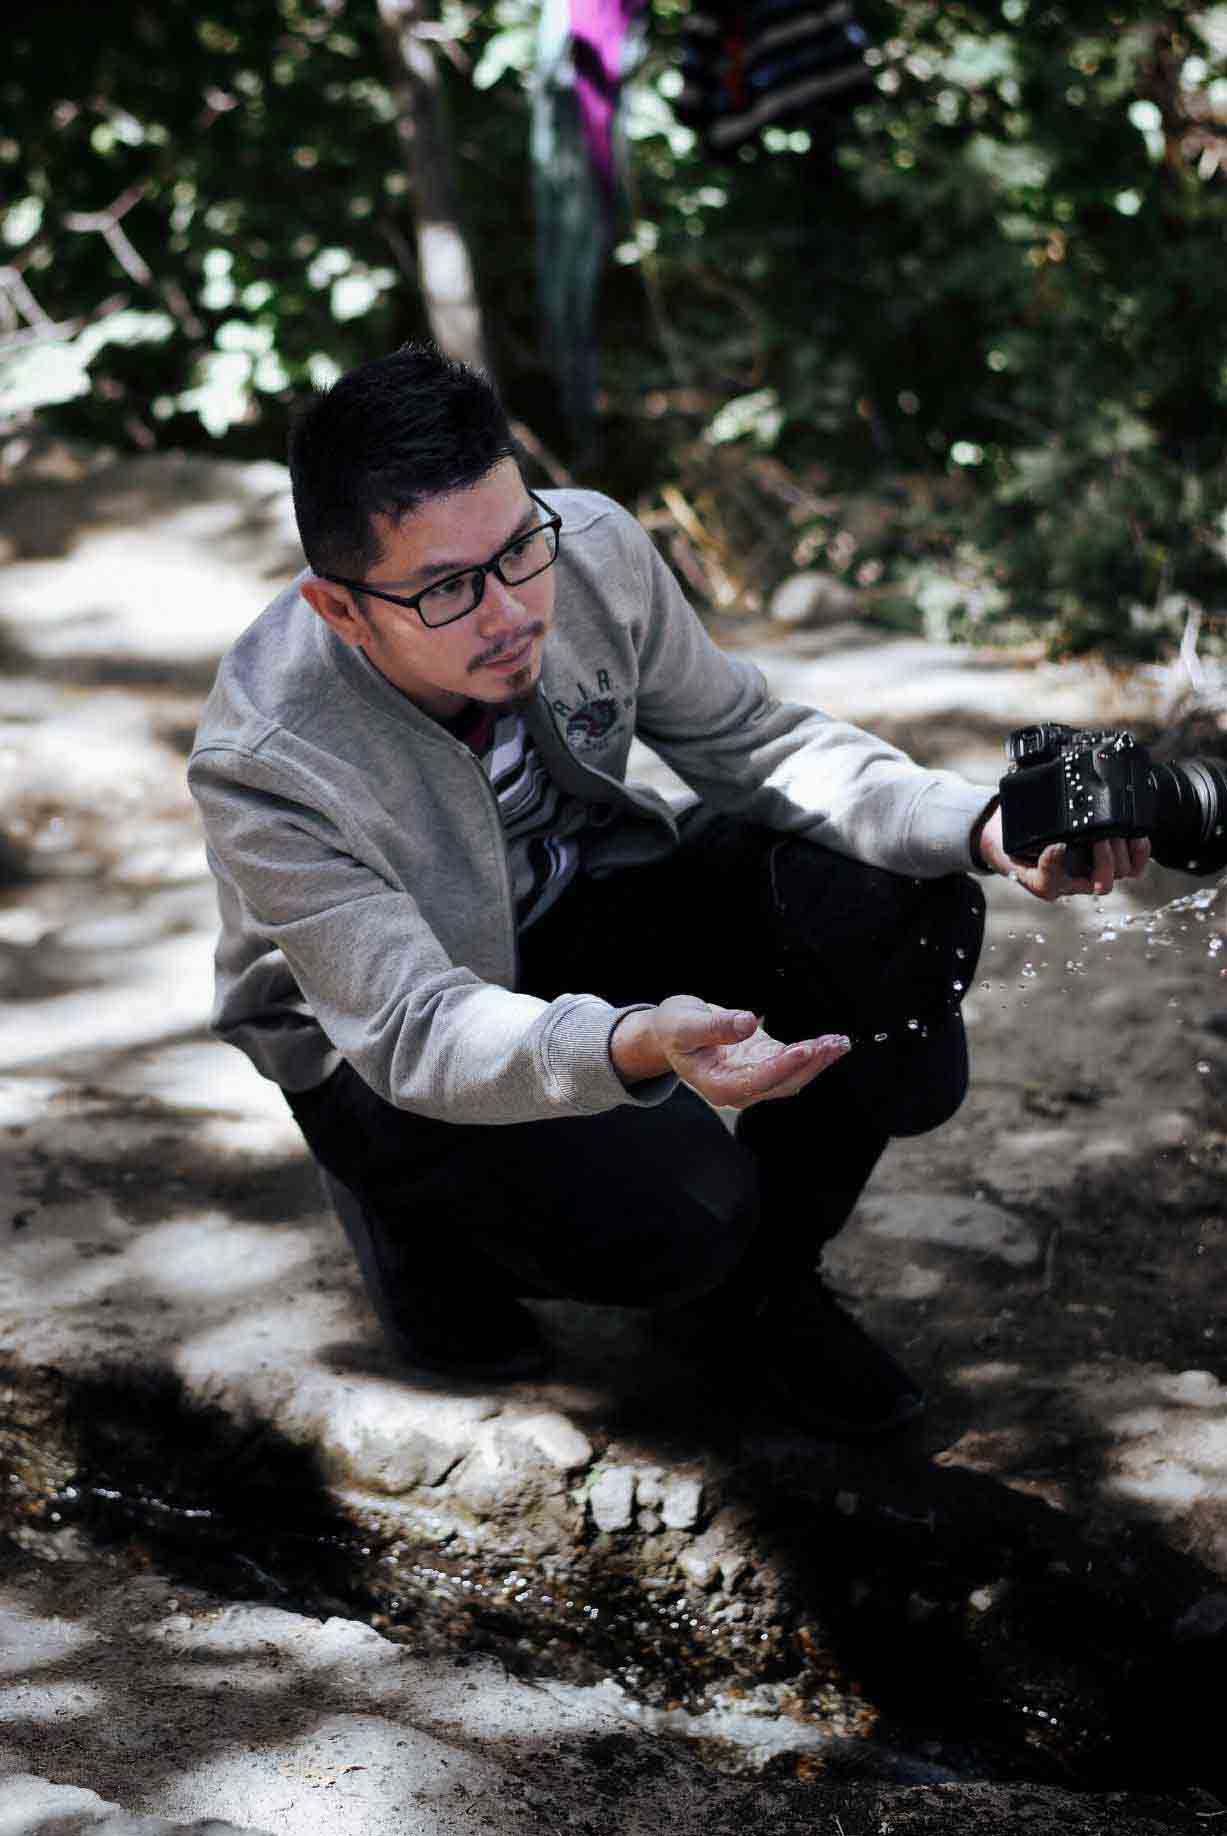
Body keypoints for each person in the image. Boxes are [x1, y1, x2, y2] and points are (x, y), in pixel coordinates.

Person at [188, 343, 1150, 1438]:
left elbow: (754, 740)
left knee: (898, 907)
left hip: (579, 901)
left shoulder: (588, 547)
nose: (510, 613)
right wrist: (631, 1044)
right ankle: (411, 1220)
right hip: (387, 1036)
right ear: (342, 610)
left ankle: (758, 1299)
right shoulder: (265, 759)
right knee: (678, 1223)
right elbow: (414, 1028)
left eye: (518, 549)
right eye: (447, 588)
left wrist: (981, 824)